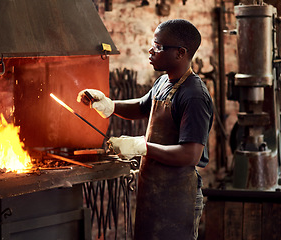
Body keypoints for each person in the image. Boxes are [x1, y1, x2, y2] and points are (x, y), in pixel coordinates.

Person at [77, 19, 213, 240]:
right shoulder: (163, 83)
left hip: (178, 196)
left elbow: (190, 155)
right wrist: (109, 105)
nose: (151, 50)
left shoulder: (194, 95)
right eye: (153, 43)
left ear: (180, 53)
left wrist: (141, 146)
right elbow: (142, 106)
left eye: (158, 47)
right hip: (153, 191)